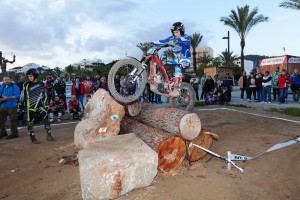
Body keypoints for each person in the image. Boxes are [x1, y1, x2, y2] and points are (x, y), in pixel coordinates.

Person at [19, 68, 54, 144]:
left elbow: (44, 95)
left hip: (40, 106)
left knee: (46, 120)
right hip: (30, 107)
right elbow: (22, 96)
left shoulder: (41, 84)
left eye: (31, 76)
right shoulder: (26, 84)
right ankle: (33, 138)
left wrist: (46, 105)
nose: (29, 77)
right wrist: (20, 106)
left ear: (35, 75)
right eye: (28, 76)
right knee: (30, 123)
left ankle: (49, 135)